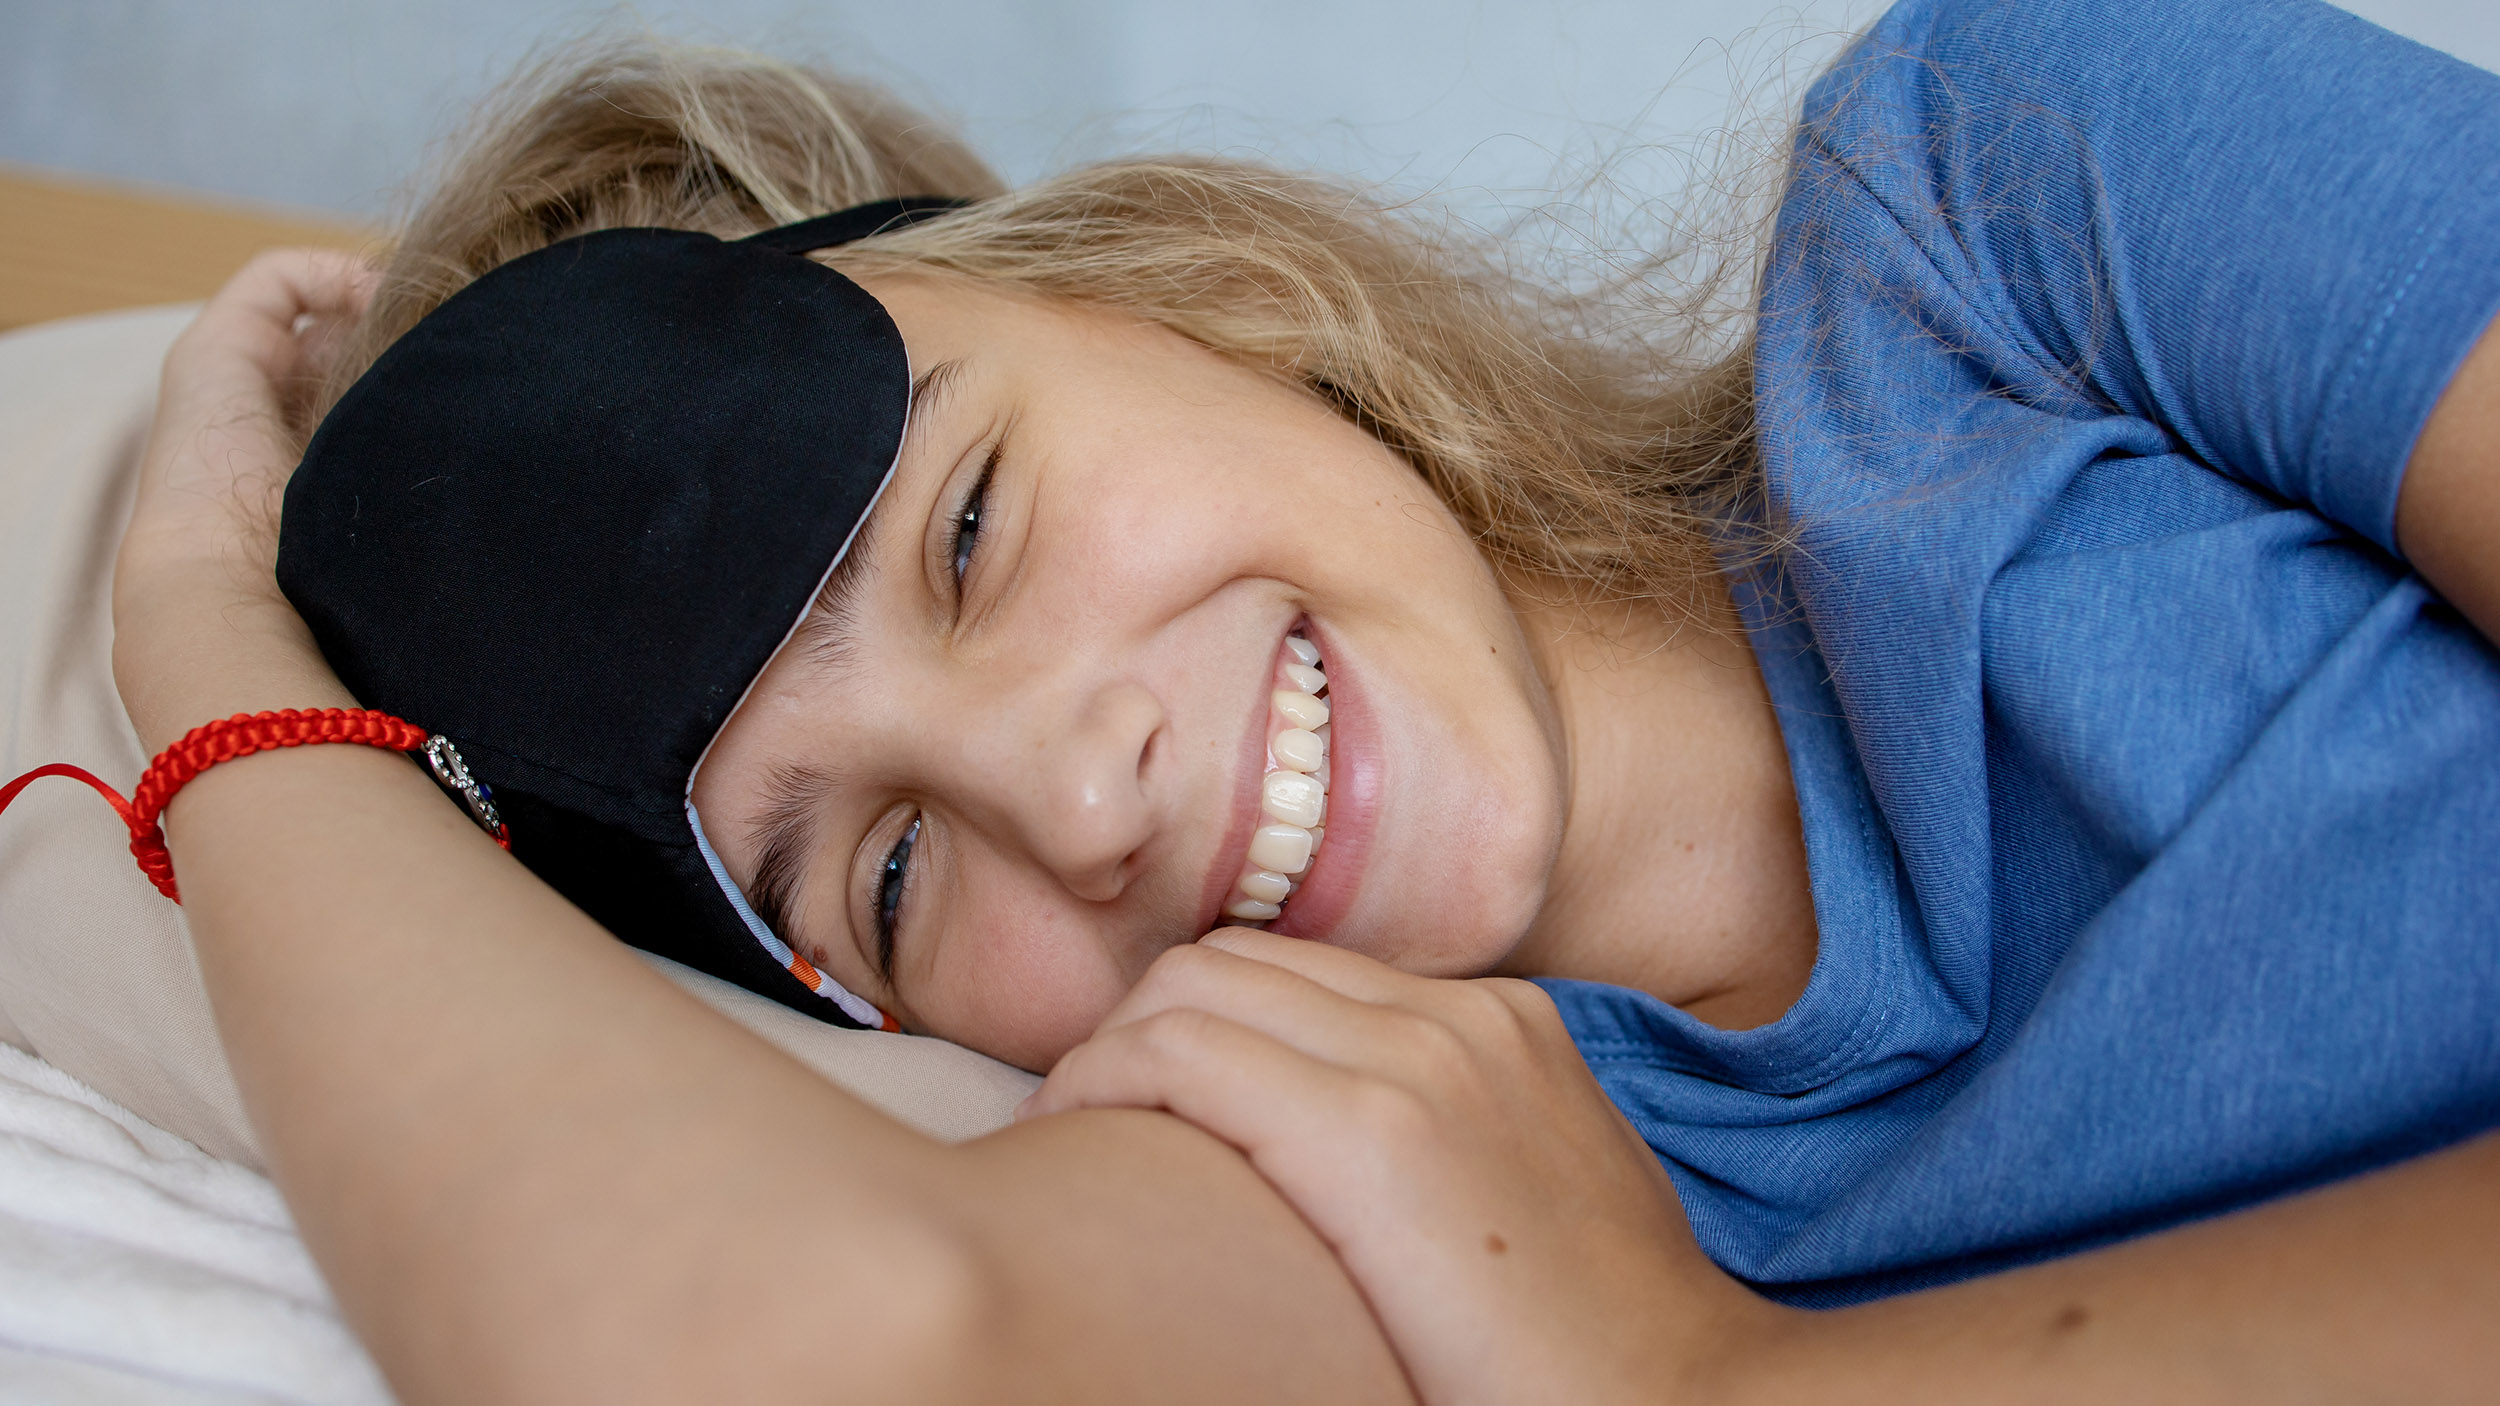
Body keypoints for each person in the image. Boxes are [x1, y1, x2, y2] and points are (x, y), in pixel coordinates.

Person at [101, 0, 2500, 1397]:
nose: (1078, 783)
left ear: (1172, 291)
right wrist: (203, 649)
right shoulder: (1354, 1167)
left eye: (967, 531)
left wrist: (1713, 1382)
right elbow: (786, 1342)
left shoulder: (2004, 200)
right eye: (895, 874)